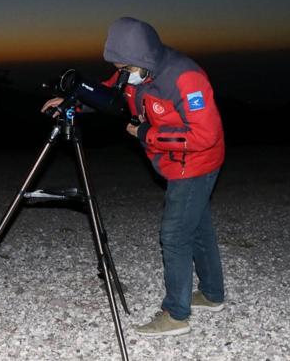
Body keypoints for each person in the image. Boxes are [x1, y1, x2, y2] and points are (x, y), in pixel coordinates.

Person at [42, 17, 225, 336]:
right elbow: (111, 95)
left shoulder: (185, 77)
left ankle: (176, 315)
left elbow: (205, 135)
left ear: (142, 58)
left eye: (125, 66)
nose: (122, 73)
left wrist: (147, 133)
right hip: (175, 160)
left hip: (196, 161)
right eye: (118, 66)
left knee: (175, 233)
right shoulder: (136, 69)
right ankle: (212, 295)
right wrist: (73, 103)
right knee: (197, 226)